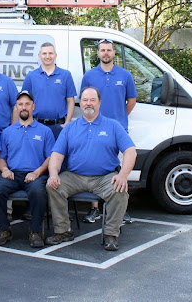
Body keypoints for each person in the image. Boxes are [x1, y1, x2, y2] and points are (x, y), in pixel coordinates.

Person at [45, 87, 136, 251]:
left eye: (92, 100)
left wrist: (123, 175)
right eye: (85, 100)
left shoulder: (113, 126)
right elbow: (56, 155)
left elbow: (131, 152)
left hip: (105, 177)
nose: (88, 103)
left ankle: (111, 235)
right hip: (75, 176)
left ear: (99, 103)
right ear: (81, 103)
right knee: (53, 186)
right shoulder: (70, 128)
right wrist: (53, 174)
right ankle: (63, 231)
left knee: (120, 190)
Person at [79, 39, 137, 222]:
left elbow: (131, 101)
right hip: (94, 128)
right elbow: (84, 102)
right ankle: (95, 209)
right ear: (98, 54)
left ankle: (121, 208)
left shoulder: (125, 75)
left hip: (119, 129)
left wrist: (118, 120)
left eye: (109, 50)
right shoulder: (89, 76)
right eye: (102, 50)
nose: (105, 53)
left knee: (120, 169)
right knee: (95, 168)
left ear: (114, 53)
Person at [0, 91, 54, 248]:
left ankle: (35, 231)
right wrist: (4, 169)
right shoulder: (7, 132)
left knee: (38, 192)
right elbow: (1, 157)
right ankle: (4, 229)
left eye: (27, 104)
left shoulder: (45, 131)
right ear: (16, 108)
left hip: (36, 174)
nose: (23, 107)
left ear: (33, 107)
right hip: (12, 173)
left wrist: (37, 172)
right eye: (20, 104)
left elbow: (50, 157)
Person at [22, 42, 76, 139]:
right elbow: (24, 102)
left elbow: (70, 101)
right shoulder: (31, 76)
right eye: (44, 53)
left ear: (55, 55)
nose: (48, 56)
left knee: (58, 154)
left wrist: (67, 123)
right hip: (36, 125)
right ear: (39, 56)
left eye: (50, 53)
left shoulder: (65, 75)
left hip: (59, 127)